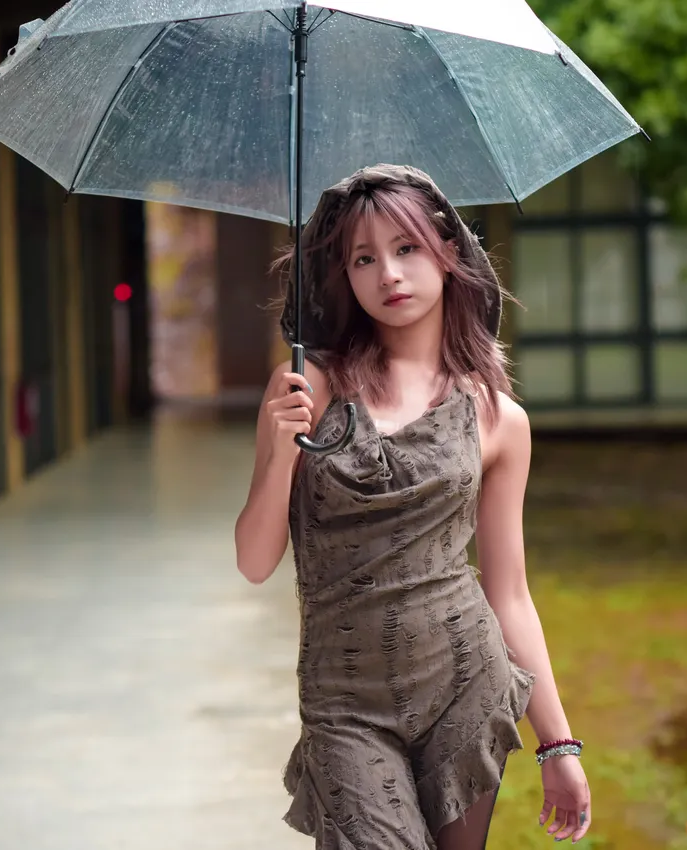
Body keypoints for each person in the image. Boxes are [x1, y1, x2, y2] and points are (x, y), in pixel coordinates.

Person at [233, 164, 591, 849]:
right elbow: (253, 563)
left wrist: (558, 745)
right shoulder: (306, 388)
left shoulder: (498, 419)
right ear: (344, 275)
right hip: (345, 705)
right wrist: (280, 453)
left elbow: (510, 593)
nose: (389, 274)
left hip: (465, 685)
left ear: (449, 253)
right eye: (364, 259)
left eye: (407, 248)